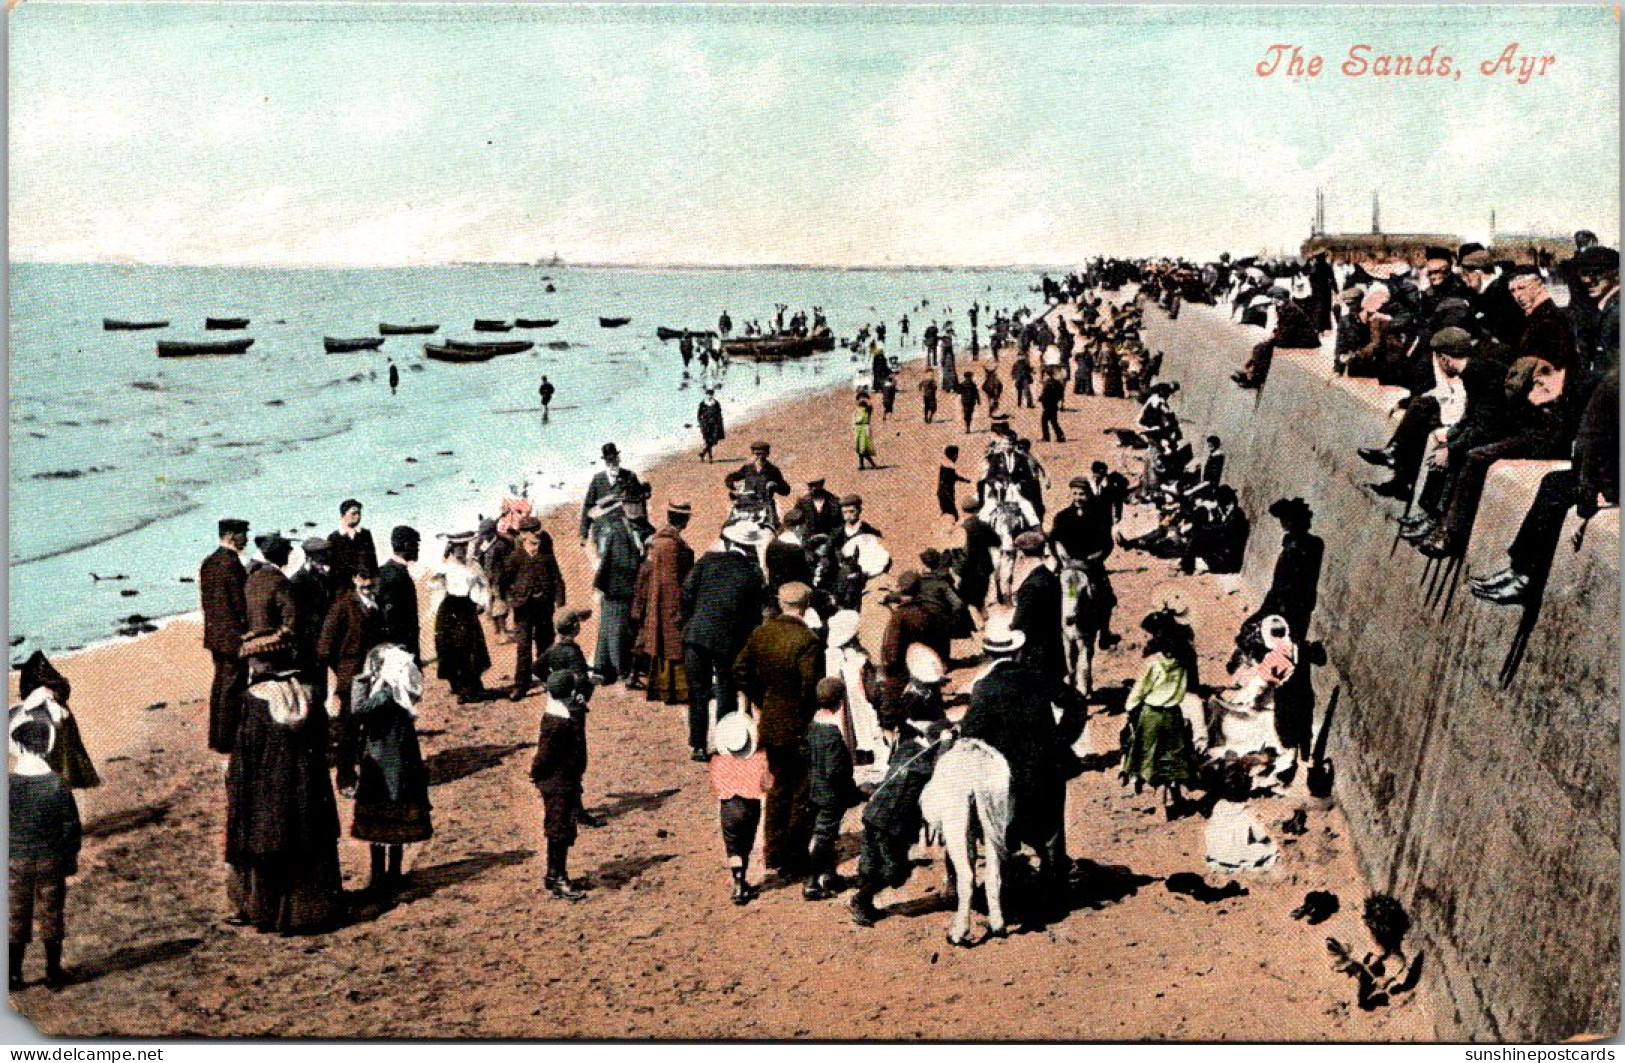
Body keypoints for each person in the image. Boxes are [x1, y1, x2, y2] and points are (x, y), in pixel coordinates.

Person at [957, 617, 1088, 911]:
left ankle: (1007, 892)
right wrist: (1061, 738)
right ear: (1017, 652)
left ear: (988, 654)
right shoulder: (1037, 677)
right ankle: (1056, 889)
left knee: (1005, 829)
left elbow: (971, 732)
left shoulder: (985, 689)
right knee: (1052, 829)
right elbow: (1076, 702)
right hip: (1046, 765)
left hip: (1006, 773)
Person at [225, 666, 344, 934]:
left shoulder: (254, 700)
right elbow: (325, 737)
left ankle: (268, 914)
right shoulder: (310, 694)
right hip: (308, 781)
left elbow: (246, 748)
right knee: (310, 840)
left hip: (268, 783)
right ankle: (316, 911)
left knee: (269, 842)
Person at [732, 582, 822, 880]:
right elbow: (811, 688)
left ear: (781, 603)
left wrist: (763, 698)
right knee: (801, 793)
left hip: (770, 721)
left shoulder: (762, 633)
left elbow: (740, 670)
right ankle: (795, 857)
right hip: (797, 725)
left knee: (778, 789)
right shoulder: (807, 640)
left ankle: (773, 851)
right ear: (805, 605)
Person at [350, 645, 433, 894]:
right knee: (396, 819)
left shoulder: (385, 693)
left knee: (381, 816)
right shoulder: (400, 692)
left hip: (384, 762)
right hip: (400, 761)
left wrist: (360, 681)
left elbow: (359, 710)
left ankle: (380, 877)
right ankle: (393, 872)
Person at [682, 524, 767, 761]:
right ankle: (724, 740)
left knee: (697, 691)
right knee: (726, 689)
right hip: (729, 640)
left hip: (696, 634)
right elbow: (754, 617)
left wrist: (692, 620)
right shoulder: (751, 574)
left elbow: (687, 592)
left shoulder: (707, 561)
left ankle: (697, 744)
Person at [8, 719, 81, 990]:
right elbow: (70, 826)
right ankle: (52, 972)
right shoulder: (57, 784)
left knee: (15, 914)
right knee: (51, 912)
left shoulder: (8, 784)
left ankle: (14, 975)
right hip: (50, 858)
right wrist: (70, 857)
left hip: (15, 859)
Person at [1120, 609, 1200, 814]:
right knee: (1172, 758)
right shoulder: (1182, 660)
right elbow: (1188, 687)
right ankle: (1176, 797)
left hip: (1151, 714)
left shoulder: (1153, 663)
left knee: (1150, 757)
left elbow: (1140, 690)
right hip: (1173, 714)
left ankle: (1160, 803)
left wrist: (1130, 706)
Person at [319, 569, 386, 795]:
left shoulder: (376, 603)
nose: (369, 588)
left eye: (372, 585)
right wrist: (344, 673)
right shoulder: (342, 606)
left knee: (374, 726)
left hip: (375, 674)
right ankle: (345, 779)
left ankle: (373, 775)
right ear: (355, 580)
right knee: (349, 729)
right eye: (364, 584)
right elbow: (325, 648)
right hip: (353, 678)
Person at [530, 671, 592, 902]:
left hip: (563, 781)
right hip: (558, 783)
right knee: (559, 829)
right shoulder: (557, 723)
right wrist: (537, 775)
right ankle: (557, 877)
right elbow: (543, 757)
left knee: (562, 826)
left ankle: (555, 874)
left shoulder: (557, 712)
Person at [803, 677, 864, 901]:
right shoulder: (832, 735)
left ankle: (829, 875)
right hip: (830, 795)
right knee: (824, 836)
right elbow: (836, 773)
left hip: (814, 790)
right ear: (840, 702)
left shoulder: (812, 727)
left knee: (826, 835)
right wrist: (855, 793)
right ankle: (811, 883)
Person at [632, 501, 695, 705]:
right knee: (673, 647)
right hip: (670, 603)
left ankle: (661, 688)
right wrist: (679, 608)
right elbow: (672, 580)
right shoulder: (671, 545)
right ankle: (674, 692)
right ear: (684, 520)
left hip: (657, 601)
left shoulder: (659, 541)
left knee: (661, 646)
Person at [709, 711, 772, 906]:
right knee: (746, 844)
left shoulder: (717, 761)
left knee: (733, 846)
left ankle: (738, 881)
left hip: (728, 807)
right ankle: (743, 879)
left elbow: (715, 786)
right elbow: (766, 785)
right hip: (749, 805)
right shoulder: (758, 758)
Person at [502, 516, 567, 701]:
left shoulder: (546, 553)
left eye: (537, 531)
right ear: (522, 535)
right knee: (523, 647)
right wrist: (512, 599)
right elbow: (503, 582)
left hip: (544, 606)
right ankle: (521, 685)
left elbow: (557, 578)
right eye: (531, 532)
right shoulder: (515, 557)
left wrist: (560, 604)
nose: (536, 535)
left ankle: (547, 679)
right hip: (523, 609)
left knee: (545, 643)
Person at [201, 517, 251, 754]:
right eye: (243, 534)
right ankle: (227, 740)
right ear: (232, 536)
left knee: (220, 685)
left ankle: (217, 738)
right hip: (233, 636)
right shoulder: (232, 565)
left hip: (214, 635)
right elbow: (240, 604)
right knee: (233, 687)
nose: (247, 539)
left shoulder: (209, 563)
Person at [588, 492, 649, 687]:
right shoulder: (617, 532)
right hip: (618, 589)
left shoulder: (628, 527)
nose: (635, 508)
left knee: (609, 629)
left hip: (614, 587)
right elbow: (626, 565)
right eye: (632, 504)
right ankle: (622, 672)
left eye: (637, 504)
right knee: (618, 630)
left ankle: (602, 668)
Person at [429, 531, 493, 704]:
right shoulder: (444, 566)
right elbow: (434, 586)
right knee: (451, 648)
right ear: (451, 547)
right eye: (457, 547)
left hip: (467, 607)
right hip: (449, 610)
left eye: (463, 546)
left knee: (470, 647)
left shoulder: (473, 565)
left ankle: (472, 687)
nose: (461, 550)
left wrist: (482, 602)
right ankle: (459, 687)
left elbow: (484, 585)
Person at [1010, 531, 1064, 681]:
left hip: (1035, 656)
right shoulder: (1050, 578)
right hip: (1054, 650)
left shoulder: (1031, 586)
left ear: (1020, 553)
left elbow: (1020, 625)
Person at [243, 534, 299, 677]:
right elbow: (290, 617)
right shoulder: (279, 580)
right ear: (281, 555)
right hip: (274, 647)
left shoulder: (250, 574)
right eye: (287, 552)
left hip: (251, 644)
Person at [290, 537, 333, 713]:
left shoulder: (322, 577)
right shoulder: (297, 582)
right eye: (320, 562)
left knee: (320, 688)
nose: (324, 566)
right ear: (308, 559)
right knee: (308, 690)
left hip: (320, 642)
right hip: (306, 645)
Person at [579, 444, 643, 544]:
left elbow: (640, 501)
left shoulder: (630, 476)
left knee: (640, 547)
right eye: (609, 461)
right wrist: (584, 532)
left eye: (614, 459)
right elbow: (588, 505)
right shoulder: (597, 479)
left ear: (618, 458)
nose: (612, 464)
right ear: (605, 462)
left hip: (627, 524)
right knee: (603, 551)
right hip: (604, 526)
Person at [376, 525, 421, 664]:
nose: (418, 549)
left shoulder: (390, 571)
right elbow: (390, 617)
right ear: (407, 545)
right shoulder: (393, 574)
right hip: (399, 649)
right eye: (416, 544)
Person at [724, 441, 792, 525]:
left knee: (774, 529)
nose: (759, 457)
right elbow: (731, 477)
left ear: (767, 454)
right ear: (752, 454)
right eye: (756, 454)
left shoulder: (773, 470)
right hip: (747, 504)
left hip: (766, 505)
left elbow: (786, 490)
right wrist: (732, 484)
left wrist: (775, 486)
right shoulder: (747, 468)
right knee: (730, 526)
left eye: (762, 454)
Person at [326, 499, 379, 595]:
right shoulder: (333, 538)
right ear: (343, 515)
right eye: (353, 514)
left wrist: (369, 580)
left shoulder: (365, 534)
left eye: (359, 513)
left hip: (366, 587)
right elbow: (333, 568)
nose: (357, 517)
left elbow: (372, 561)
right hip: (343, 589)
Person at [937, 446, 971, 524]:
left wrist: (965, 480)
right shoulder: (948, 467)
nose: (957, 457)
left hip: (943, 493)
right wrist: (948, 497)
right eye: (956, 455)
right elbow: (945, 483)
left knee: (948, 514)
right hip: (946, 494)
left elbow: (954, 477)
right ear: (952, 455)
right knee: (953, 515)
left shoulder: (945, 466)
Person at [697, 388, 725, 463]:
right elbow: (699, 414)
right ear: (706, 395)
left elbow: (719, 413)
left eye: (711, 395)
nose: (709, 396)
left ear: (713, 395)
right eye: (708, 394)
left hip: (715, 424)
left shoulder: (716, 403)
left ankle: (703, 453)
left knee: (713, 440)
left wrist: (720, 423)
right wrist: (700, 423)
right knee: (708, 441)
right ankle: (710, 458)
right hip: (705, 424)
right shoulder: (702, 403)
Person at [1038, 368, 1066, 443]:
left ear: (1046, 375)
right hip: (1054, 404)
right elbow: (1061, 393)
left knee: (1044, 421)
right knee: (1054, 421)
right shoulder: (1058, 383)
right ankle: (1060, 436)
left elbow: (1045, 394)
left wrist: (1040, 398)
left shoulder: (1047, 383)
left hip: (1047, 405)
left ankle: (1046, 437)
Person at [854, 395, 879, 471]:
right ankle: (861, 465)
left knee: (863, 448)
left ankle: (872, 464)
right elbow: (856, 402)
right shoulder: (857, 409)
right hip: (858, 429)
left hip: (864, 429)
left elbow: (871, 405)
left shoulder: (867, 410)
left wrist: (868, 398)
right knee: (859, 448)